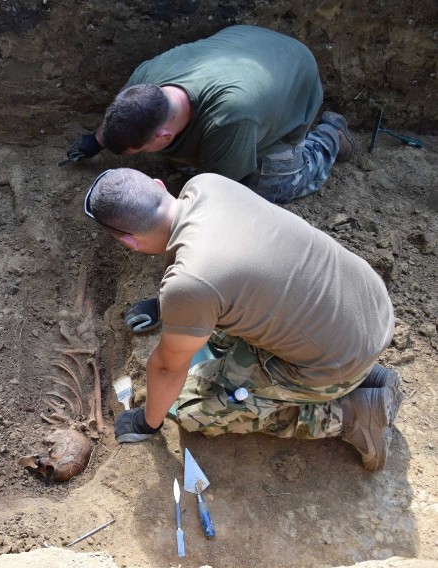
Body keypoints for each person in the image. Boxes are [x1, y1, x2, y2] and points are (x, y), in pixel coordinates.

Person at [84, 168, 403, 470]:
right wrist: (164, 305)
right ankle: (368, 376)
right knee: (221, 333)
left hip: (337, 362)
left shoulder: (190, 285)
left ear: (128, 241)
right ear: (158, 185)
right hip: (369, 308)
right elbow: (235, 267)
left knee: (187, 406)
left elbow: (167, 368)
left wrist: (146, 422)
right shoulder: (207, 185)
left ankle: (353, 415)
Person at [66, 25, 357, 204]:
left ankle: (330, 136)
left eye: (137, 150)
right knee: (186, 163)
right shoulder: (147, 78)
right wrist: (97, 139)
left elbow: (218, 193)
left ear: (164, 135)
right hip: (251, 42)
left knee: (260, 187)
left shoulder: (229, 119)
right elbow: (122, 109)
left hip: (296, 76)